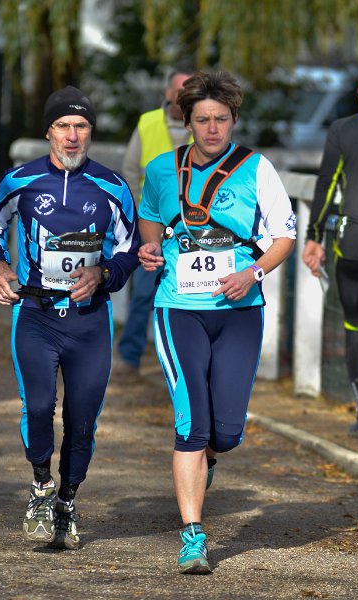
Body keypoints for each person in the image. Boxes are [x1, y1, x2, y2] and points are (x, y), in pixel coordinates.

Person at [138, 70, 296, 574]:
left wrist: (253, 273)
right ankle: (193, 536)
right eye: (203, 119)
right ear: (186, 120)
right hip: (178, 310)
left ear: (233, 121)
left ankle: (210, 456)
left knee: (225, 433)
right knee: (191, 424)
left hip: (239, 313)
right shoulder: (162, 169)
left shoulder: (257, 168)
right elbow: (149, 217)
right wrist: (149, 248)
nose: (212, 129)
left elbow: (284, 236)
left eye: (221, 119)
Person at [0, 86, 140, 549]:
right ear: (49, 131)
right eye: (63, 126)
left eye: (81, 126)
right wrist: (0, 267)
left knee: (82, 418)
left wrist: (104, 273)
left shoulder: (112, 187)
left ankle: (67, 500)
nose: (73, 136)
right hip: (35, 313)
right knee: (37, 406)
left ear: (91, 132)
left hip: (90, 320)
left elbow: (129, 249)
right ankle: (41, 487)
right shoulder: (20, 180)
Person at [303, 61, 358, 439]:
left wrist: (314, 237)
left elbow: (326, 184)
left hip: (353, 244)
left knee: (356, 324)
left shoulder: (342, 129)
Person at [113, 69, 193, 379]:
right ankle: (129, 356)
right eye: (180, 89)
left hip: (191, 228)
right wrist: (142, 214)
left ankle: (183, 361)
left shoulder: (204, 123)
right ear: (168, 93)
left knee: (189, 294)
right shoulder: (147, 123)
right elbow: (131, 171)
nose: (184, 96)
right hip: (152, 226)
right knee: (144, 293)